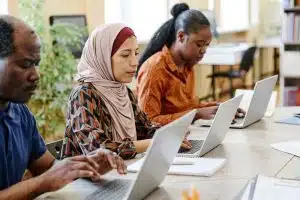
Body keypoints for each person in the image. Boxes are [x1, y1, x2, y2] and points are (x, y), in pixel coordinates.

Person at [0, 15, 126, 200]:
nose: (35, 75)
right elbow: (45, 178)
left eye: (36, 64)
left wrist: (85, 165)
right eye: (26, 64)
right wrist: (42, 183)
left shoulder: (21, 113)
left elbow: (47, 167)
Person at [61, 23, 192, 161]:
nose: (134, 62)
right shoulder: (83, 95)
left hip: (122, 171)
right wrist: (151, 143)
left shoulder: (123, 91)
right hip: (85, 179)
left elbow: (145, 129)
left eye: (136, 53)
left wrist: (169, 134)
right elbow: (96, 149)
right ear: (103, 57)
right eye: (125, 55)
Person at [136, 3, 221, 126]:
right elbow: (148, 121)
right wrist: (196, 114)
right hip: (161, 141)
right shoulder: (155, 69)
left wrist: (219, 108)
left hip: (185, 133)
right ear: (181, 36)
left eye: (206, 45)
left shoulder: (188, 65)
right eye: (199, 44)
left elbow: (189, 107)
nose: (203, 51)